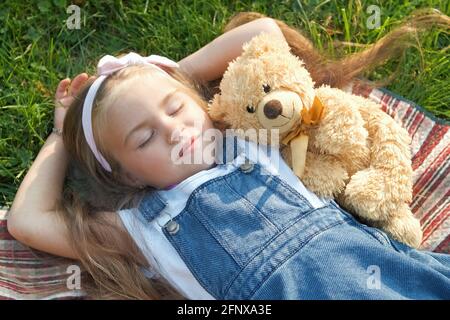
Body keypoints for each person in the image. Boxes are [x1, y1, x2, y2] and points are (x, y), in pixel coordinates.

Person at [6, 13, 450, 300]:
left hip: (391, 275)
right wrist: (61, 135)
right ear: (126, 176)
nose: (174, 129)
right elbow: (27, 221)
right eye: (144, 140)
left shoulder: (251, 134)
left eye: (176, 107)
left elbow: (265, 35)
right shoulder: (142, 228)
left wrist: (169, 75)